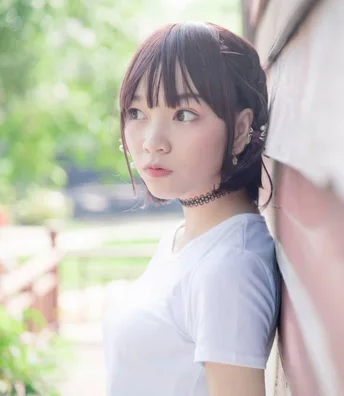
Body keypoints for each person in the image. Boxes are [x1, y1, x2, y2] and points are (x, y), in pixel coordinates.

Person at [102, 22, 280, 396]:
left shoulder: (230, 266)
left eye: (183, 114)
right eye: (136, 113)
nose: (152, 142)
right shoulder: (184, 238)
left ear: (242, 127)